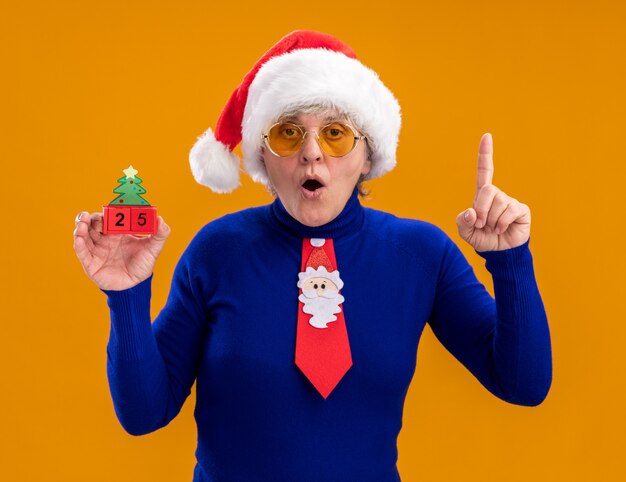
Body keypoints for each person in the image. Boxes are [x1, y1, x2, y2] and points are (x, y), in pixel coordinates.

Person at [73, 30, 552, 482]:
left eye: (336, 134)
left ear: (369, 156)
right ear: (263, 159)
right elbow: (143, 414)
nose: (311, 154)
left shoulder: (421, 255)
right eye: (287, 133)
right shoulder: (216, 251)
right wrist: (127, 294)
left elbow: (523, 384)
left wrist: (511, 261)